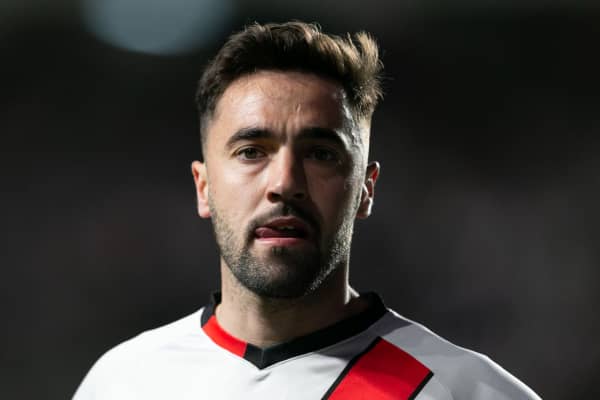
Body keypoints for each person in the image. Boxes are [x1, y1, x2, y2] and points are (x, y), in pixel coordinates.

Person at [73, 21, 541, 400]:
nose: (285, 184)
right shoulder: (122, 383)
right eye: (251, 152)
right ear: (204, 187)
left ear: (365, 189)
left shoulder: (467, 392)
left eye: (320, 154)